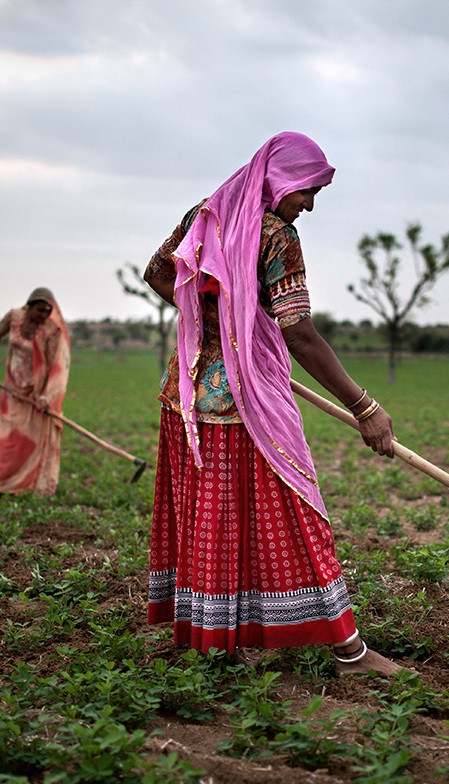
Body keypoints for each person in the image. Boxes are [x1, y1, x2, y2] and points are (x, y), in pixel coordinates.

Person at [143, 131, 403, 676]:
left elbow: (158, 272)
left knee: (215, 521)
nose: (308, 204)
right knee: (297, 512)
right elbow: (301, 334)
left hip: (187, 398)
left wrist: (219, 316)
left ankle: (214, 639)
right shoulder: (275, 235)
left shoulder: (206, 213)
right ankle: (348, 651)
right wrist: (364, 406)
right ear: (278, 179)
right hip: (244, 408)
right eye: (306, 191)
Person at [0, 287, 71, 497]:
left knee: (30, 442)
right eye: (40, 310)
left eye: (48, 311)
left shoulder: (51, 331)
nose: (44, 315)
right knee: (8, 439)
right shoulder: (13, 317)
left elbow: (52, 366)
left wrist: (44, 396)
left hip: (36, 395)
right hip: (12, 390)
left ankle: (27, 487)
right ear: (29, 307)